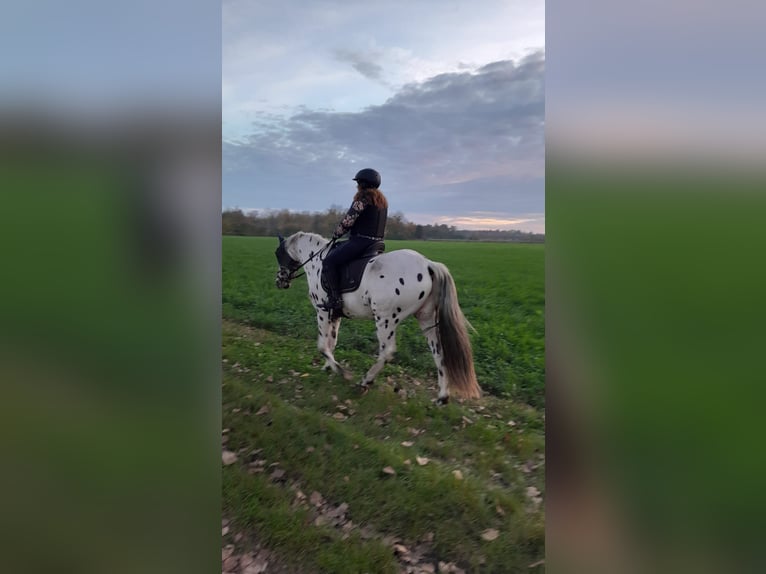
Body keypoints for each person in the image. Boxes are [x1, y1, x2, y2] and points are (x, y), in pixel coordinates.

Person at [319, 168, 388, 319]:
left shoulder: (363, 199)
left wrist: (336, 234)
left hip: (360, 242)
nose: (357, 186)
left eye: (358, 183)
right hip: (377, 243)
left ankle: (335, 300)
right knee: (338, 250)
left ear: (362, 184)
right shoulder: (382, 201)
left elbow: (348, 220)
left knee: (329, 261)